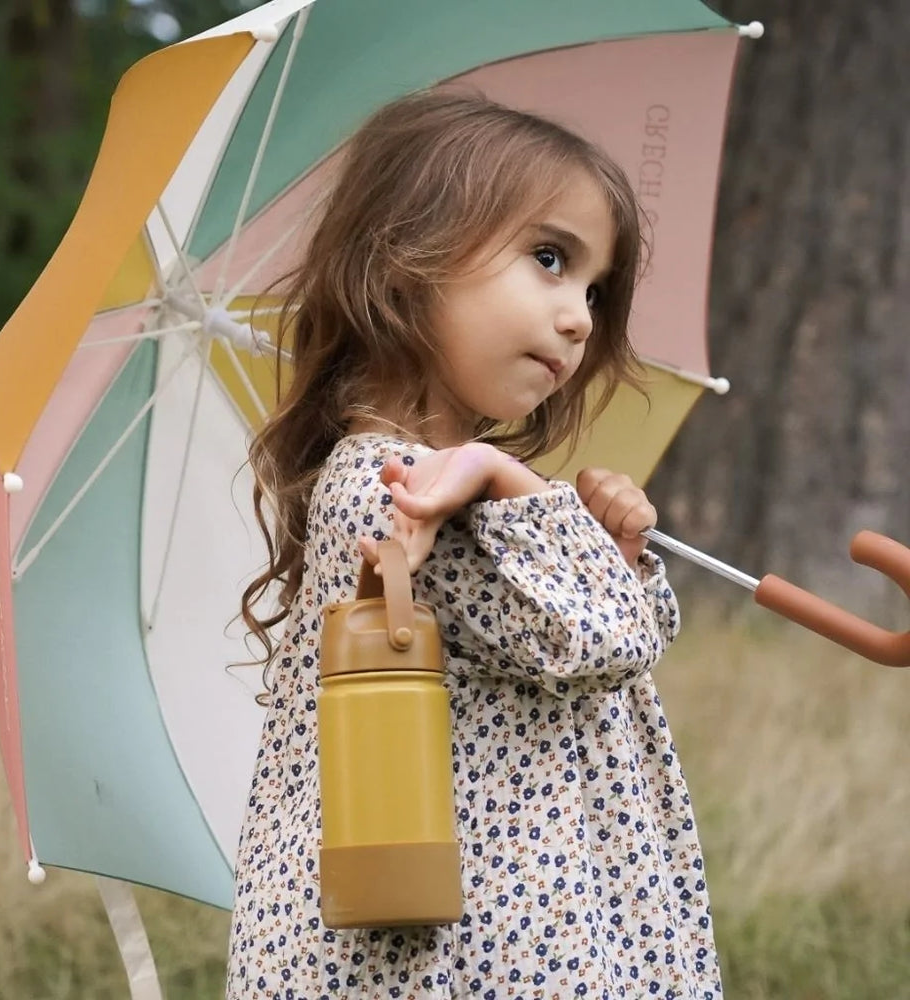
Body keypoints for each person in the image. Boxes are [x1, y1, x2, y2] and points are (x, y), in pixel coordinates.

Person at [226, 90, 721, 999]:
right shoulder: (396, 488)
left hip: (524, 929)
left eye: (595, 288)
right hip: (467, 957)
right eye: (548, 259)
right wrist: (518, 487)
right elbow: (604, 642)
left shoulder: (450, 484)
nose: (579, 316)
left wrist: (604, 543)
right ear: (406, 258)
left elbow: (609, 638)